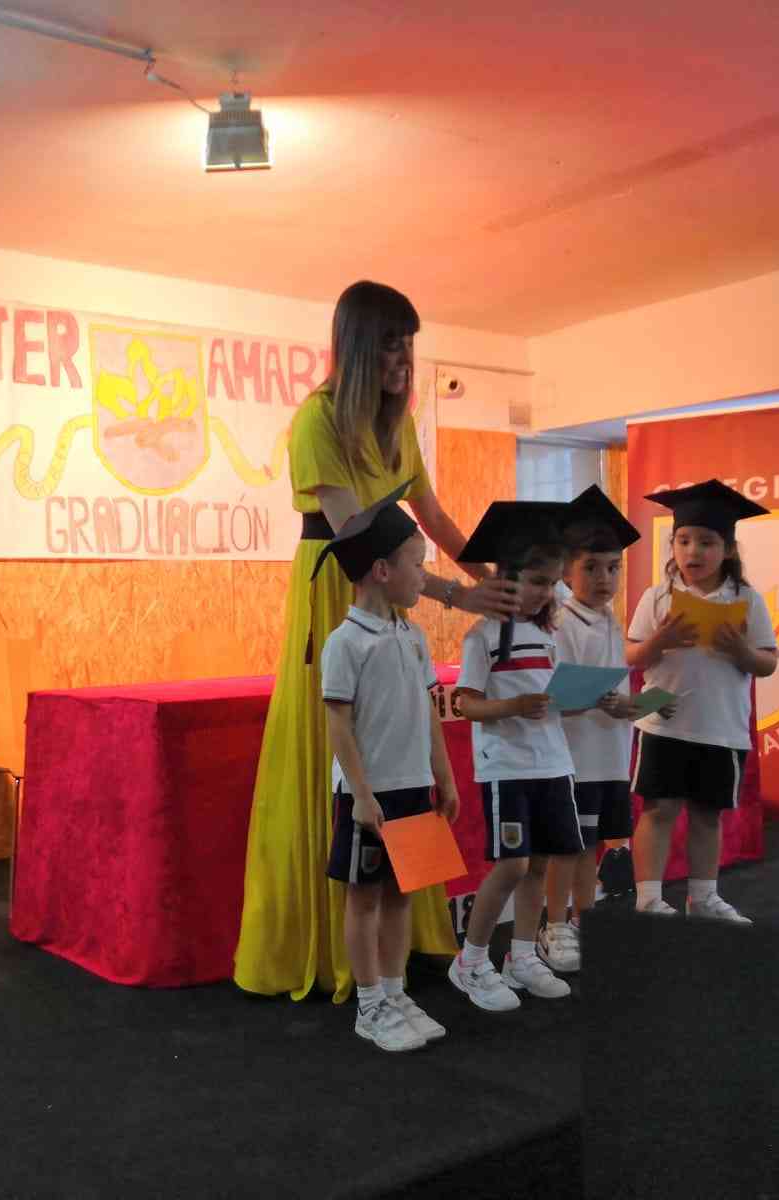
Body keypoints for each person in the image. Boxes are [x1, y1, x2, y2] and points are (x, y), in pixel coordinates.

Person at [233, 280, 520, 1003]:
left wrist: (493, 585)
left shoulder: (398, 427)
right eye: (391, 344)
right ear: (359, 347)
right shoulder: (317, 420)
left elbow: (434, 517)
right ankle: (347, 958)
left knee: (400, 735)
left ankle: (397, 945)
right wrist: (453, 593)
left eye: (409, 345)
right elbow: (357, 540)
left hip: (392, 588)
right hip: (343, 588)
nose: (404, 360)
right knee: (343, 743)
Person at [317, 486, 460, 1051]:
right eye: (417, 565)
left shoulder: (413, 635)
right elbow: (338, 724)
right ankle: (370, 1002)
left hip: (413, 789)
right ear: (382, 571)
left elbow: (428, 712)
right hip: (370, 796)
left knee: (405, 893)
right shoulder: (345, 643)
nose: (424, 576)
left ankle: (397, 993)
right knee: (365, 897)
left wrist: (444, 778)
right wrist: (360, 794)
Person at [626, 480, 779, 924]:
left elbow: (767, 663)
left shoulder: (747, 599)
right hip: (663, 720)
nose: (693, 551)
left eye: (707, 542)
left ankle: (703, 897)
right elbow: (632, 655)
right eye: (684, 540)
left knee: (707, 814)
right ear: (673, 546)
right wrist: (659, 641)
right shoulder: (656, 597)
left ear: (727, 550)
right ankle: (648, 899)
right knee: (658, 809)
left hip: (721, 725)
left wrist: (741, 651)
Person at [448, 501, 578, 1009]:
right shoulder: (483, 636)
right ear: (507, 579)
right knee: (512, 865)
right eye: (537, 581)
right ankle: (471, 960)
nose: (546, 592)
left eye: (552, 583)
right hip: (507, 767)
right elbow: (467, 704)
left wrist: (586, 698)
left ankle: (522, 956)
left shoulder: (548, 634)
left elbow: (557, 695)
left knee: (539, 864)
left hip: (553, 763)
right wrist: (514, 706)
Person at [550, 486, 656, 935]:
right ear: (566, 571)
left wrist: (632, 706)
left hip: (611, 756)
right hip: (577, 760)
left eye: (613, 568)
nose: (604, 578)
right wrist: (594, 698)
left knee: (596, 846)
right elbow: (557, 698)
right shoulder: (562, 622)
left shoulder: (611, 620)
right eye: (591, 567)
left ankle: (583, 918)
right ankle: (557, 923)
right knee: (573, 847)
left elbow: (616, 688)